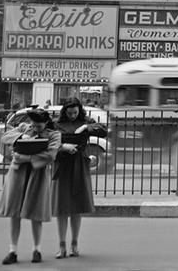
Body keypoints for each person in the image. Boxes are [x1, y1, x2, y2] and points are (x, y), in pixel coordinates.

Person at [0, 108, 61, 264]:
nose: (35, 128)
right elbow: (4, 137)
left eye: (39, 126)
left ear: (46, 122)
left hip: (37, 174)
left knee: (36, 213)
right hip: (18, 173)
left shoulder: (54, 135)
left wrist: (27, 157)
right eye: (33, 124)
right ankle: (13, 251)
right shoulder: (25, 128)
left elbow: (51, 155)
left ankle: (36, 250)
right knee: (14, 213)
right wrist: (20, 136)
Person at [51, 97, 107, 259]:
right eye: (69, 113)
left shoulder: (86, 121)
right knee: (61, 208)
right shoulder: (56, 124)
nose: (72, 116)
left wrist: (85, 127)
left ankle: (74, 244)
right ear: (64, 112)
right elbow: (49, 143)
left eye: (75, 112)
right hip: (62, 165)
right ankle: (62, 246)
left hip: (79, 165)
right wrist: (62, 147)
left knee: (76, 206)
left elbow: (103, 130)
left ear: (79, 110)